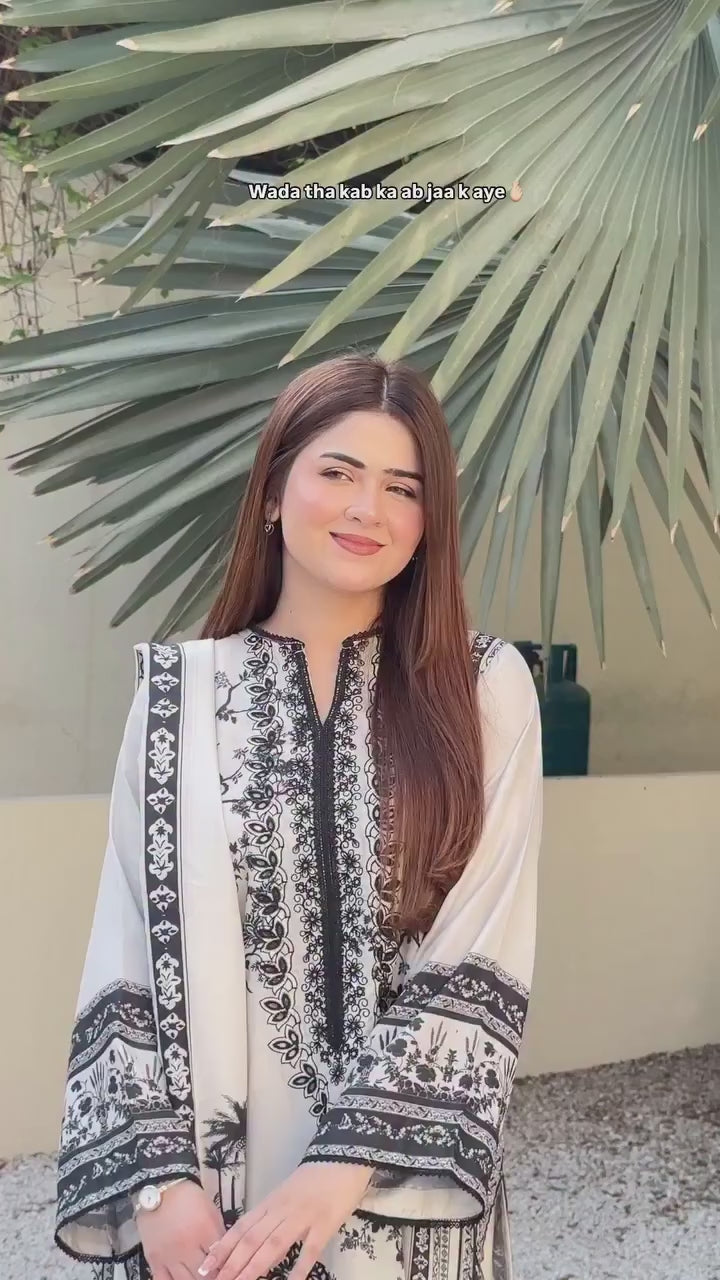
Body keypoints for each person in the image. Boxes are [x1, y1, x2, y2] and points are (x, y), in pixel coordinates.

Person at [54, 353, 543, 1280]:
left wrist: (337, 1173)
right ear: (275, 492)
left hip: (399, 1200)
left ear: (429, 523)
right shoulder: (178, 697)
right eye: (338, 472)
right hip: (207, 1209)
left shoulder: (482, 690)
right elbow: (125, 951)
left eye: (402, 488)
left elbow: (481, 946)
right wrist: (159, 1186)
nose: (367, 509)